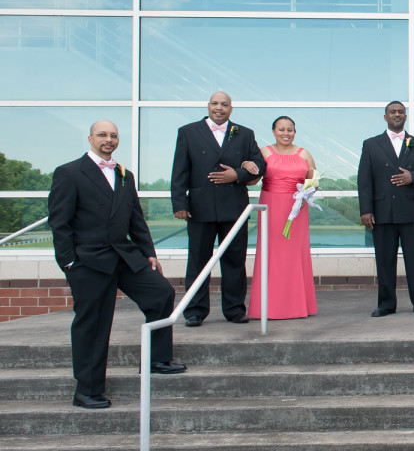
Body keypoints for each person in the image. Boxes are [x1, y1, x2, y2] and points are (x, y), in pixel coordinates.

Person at [48, 121, 184, 409]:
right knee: (94, 324)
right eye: (102, 135)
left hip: (124, 255)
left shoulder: (125, 175)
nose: (108, 140)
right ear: (90, 138)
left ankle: (156, 359)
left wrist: (149, 252)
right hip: (88, 261)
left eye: (113, 135)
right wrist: (69, 263)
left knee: (160, 293)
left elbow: (136, 217)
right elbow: (59, 223)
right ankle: (87, 390)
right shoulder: (69, 173)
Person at [171, 91, 265, 327]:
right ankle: (194, 311)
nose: (219, 108)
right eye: (215, 103)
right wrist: (179, 203)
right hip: (199, 208)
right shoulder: (187, 132)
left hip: (234, 207)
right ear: (208, 106)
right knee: (198, 261)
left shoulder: (245, 133)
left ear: (231, 109)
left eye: (224, 104)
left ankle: (234, 309)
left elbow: (260, 165)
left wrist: (238, 175)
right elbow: (179, 171)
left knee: (235, 260)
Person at [357, 101, 414, 317]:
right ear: (385, 117)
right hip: (383, 212)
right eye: (392, 112)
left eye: (401, 112)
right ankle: (385, 304)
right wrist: (366, 210)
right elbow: (364, 180)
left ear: (405, 116)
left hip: (412, 211)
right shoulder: (371, 144)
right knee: (384, 260)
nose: (397, 115)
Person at [247, 116, 318, 320]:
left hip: (297, 208)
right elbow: (253, 180)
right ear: (273, 131)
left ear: (295, 132)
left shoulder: (304, 153)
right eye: (281, 129)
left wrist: (307, 193)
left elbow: (314, 180)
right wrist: (246, 164)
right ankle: (267, 306)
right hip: (271, 206)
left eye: (290, 130)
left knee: (295, 253)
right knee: (271, 252)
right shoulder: (264, 152)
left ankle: (297, 305)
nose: (286, 133)